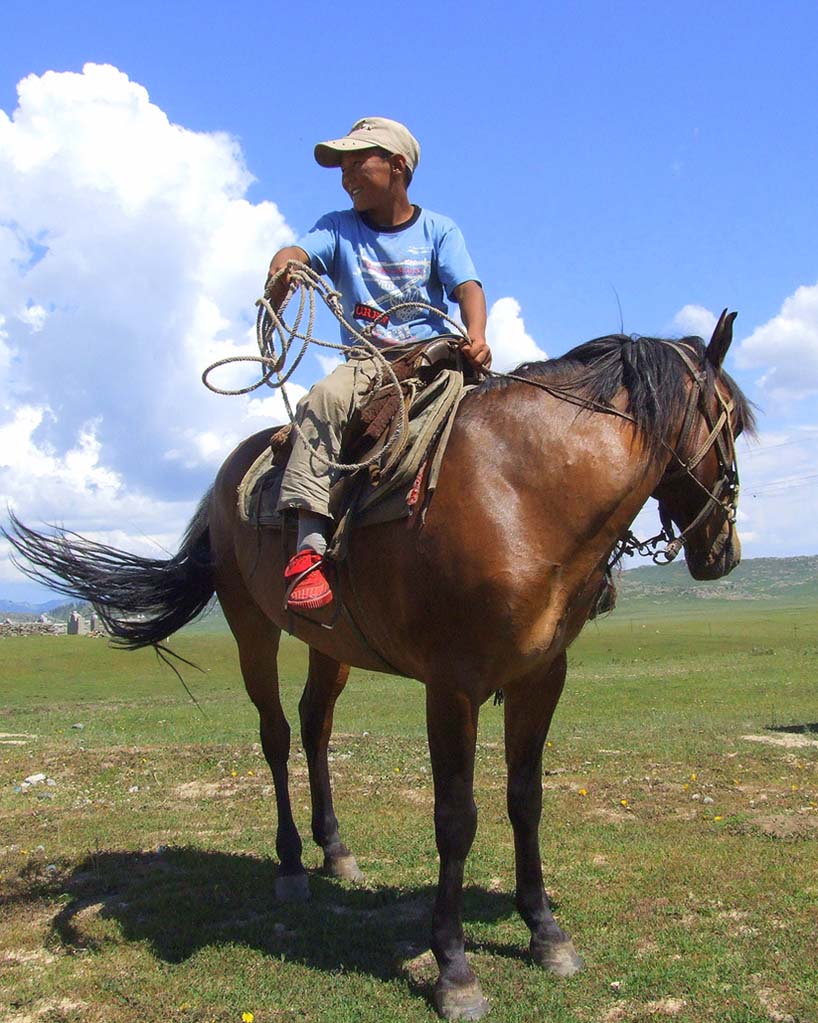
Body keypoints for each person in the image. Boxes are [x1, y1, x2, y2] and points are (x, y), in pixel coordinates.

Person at [266, 117, 491, 610]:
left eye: (357, 162)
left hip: (437, 357)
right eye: (341, 167)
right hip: (370, 362)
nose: (346, 175)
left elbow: (467, 287)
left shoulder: (437, 230)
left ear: (398, 166)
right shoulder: (338, 228)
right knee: (323, 399)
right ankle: (308, 550)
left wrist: (476, 336)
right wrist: (284, 266)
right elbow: (299, 250)